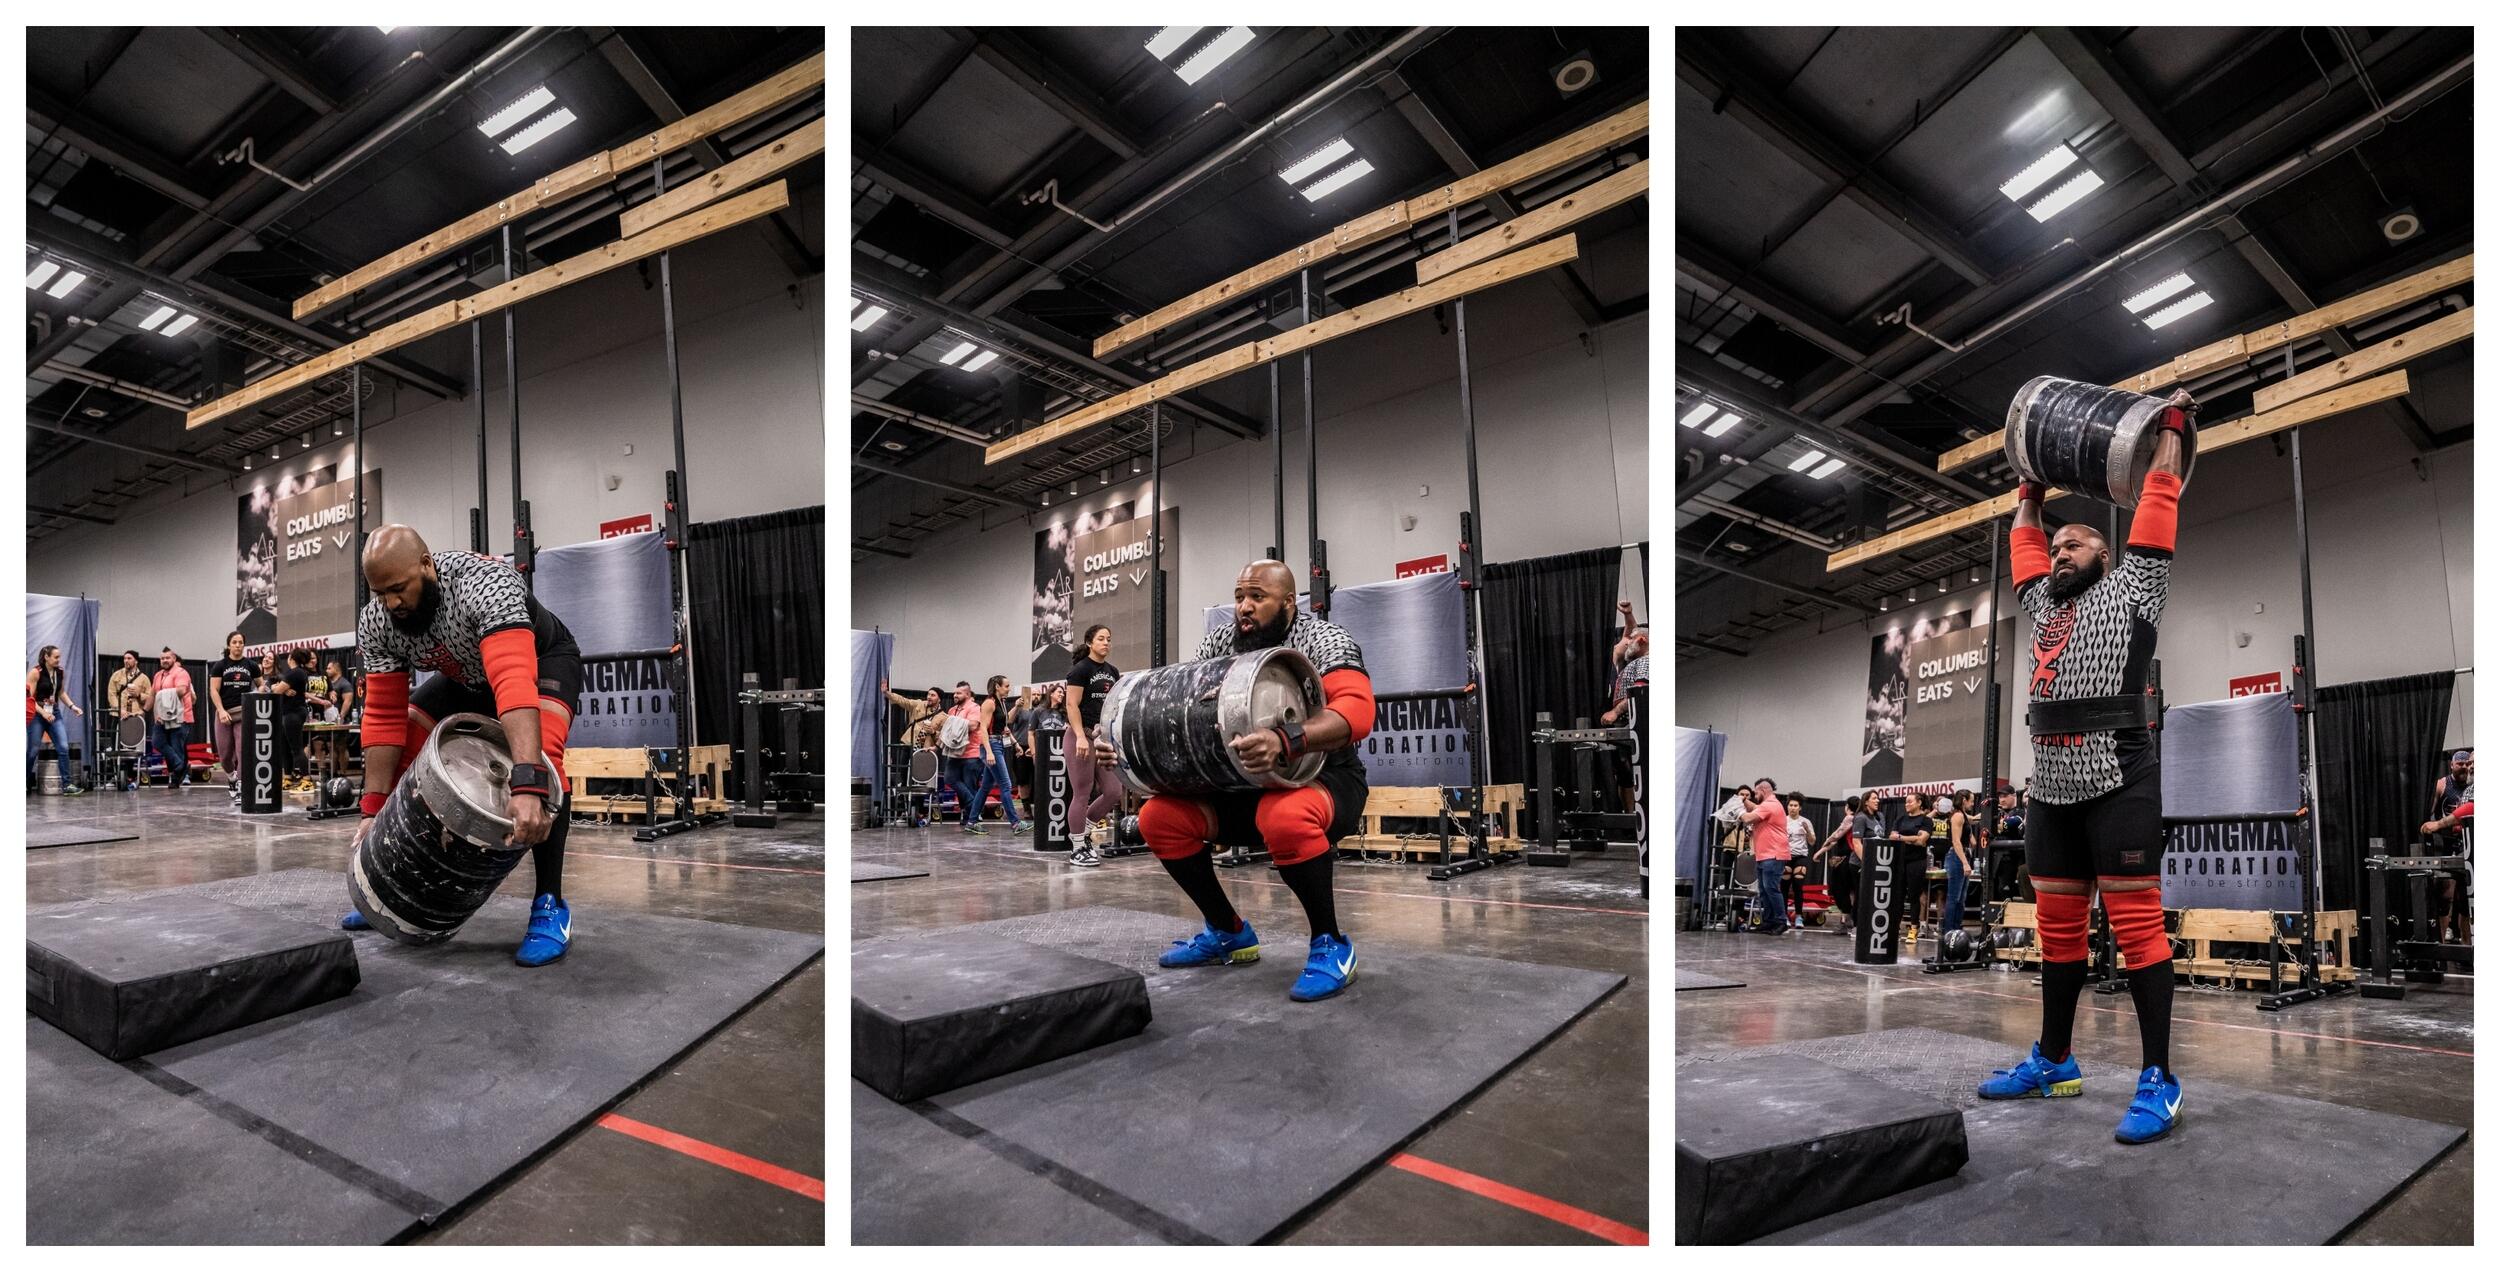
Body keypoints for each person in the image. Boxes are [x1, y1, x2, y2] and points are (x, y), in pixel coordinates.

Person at [1977, 387, 2195, 1145]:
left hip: (2120, 774)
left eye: (2076, 545)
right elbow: (2023, 538)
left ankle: (2160, 1079)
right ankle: (2055, 1060)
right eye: (2058, 545)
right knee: (2057, 929)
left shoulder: (2137, 588)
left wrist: (2172, 427)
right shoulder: (2041, 605)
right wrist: (2030, 484)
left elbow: (2161, 493)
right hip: (2052, 787)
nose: (2061, 552)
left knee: (2137, 925)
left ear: (2106, 552)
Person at [1119, 560, 1378, 1001]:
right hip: (1239, 781)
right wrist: (1126, 750)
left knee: (1285, 814)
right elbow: (1183, 717)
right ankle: (1228, 933)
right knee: (1159, 817)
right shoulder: (1221, 642)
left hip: (1322, 776)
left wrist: (1287, 739)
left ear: (1288, 603)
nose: (1244, 607)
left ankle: (1331, 943)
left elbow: (1357, 711)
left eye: (1258, 598)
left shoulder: (1324, 639)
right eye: (1240, 597)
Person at [340, 525, 585, 967]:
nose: (392, 603)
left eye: (399, 589)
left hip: (542, 662)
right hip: (466, 678)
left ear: (426, 565)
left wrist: (528, 783)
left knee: (542, 764)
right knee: (411, 735)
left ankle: (550, 905)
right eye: (381, 594)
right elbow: (383, 717)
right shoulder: (377, 621)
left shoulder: (484, 583)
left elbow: (512, 682)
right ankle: (391, 892)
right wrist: (372, 809)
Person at [1063, 624, 1123, 866]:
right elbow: (1071, 706)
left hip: (1102, 739)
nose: (1106, 643)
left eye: (1109, 638)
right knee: (1082, 793)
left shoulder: (1113, 671)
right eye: (1101, 638)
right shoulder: (1080, 670)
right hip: (1081, 737)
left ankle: (1084, 832)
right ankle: (1077, 847)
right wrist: (1079, 736)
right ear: (1089, 642)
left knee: (1113, 791)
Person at [2421, 749, 2474, 943]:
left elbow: (2470, 809)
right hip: (2449, 846)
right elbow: (2429, 814)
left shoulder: (2472, 785)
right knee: (2445, 897)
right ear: (2452, 765)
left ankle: (2470, 946)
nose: (2465, 767)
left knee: (2467, 901)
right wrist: (2435, 826)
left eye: (2468, 763)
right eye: (2461, 764)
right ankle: (2441, 945)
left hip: (2470, 844)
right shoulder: (2443, 785)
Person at [26, 645, 87, 795]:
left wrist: (73, 706)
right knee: (33, 751)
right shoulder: (35, 672)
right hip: (37, 714)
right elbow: (29, 699)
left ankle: (67, 786)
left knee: (63, 747)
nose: (59, 660)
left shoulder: (60, 672)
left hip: (54, 712)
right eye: (56, 657)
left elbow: (61, 692)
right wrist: (43, 714)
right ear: (46, 657)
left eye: (59, 657)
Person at [938, 681, 991, 834]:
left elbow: (973, 726)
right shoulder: (952, 709)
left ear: (967, 694)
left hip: (972, 753)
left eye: (959, 693)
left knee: (970, 785)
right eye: (955, 693)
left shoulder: (974, 708)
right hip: (954, 752)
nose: (955, 695)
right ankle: (973, 806)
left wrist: (952, 723)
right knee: (949, 778)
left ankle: (970, 819)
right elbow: (949, 728)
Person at [207, 631, 256, 795]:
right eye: (234, 642)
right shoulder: (220, 665)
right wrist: (220, 711)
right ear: (229, 645)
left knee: (242, 750)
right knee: (225, 755)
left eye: (240, 642)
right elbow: (214, 690)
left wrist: (259, 691)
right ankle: (232, 777)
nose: (237, 645)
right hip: (224, 713)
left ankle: (242, 785)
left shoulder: (251, 665)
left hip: (243, 713)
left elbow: (262, 685)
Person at [1739, 778, 1789, 933]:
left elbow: (1748, 818)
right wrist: (1744, 801)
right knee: (1764, 889)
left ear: (1763, 790)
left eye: (1755, 792)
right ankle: (1769, 921)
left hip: (1772, 854)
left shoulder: (1770, 805)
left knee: (1771, 888)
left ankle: (1781, 921)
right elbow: (1755, 808)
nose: (1754, 794)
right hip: (1764, 855)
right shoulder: (1769, 805)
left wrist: (1737, 809)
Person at [149, 647, 196, 790]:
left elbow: (181, 691)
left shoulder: (182, 673)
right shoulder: (158, 675)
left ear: (174, 659)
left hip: (180, 717)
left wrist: (162, 694)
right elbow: (153, 695)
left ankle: (175, 780)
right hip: (162, 717)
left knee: (177, 747)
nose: (164, 660)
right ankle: (180, 766)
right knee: (157, 741)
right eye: (162, 658)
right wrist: (147, 710)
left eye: (167, 658)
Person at [1890, 792, 1933, 942]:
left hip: (1916, 862)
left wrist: (1902, 838)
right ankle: (1894, 928)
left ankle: (1913, 929)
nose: (1907, 804)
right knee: (1898, 896)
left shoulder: (1926, 820)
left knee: (1914, 896)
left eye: (1909, 801)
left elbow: (1921, 841)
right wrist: (1912, 838)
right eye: (1906, 802)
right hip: (1900, 861)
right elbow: (1891, 837)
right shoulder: (1900, 819)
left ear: (1919, 802)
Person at [1813, 796, 1860, 932]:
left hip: (1846, 859)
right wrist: (1821, 851)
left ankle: (1847, 918)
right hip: (1850, 858)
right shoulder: (1858, 819)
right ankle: (1846, 919)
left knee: (1840, 889)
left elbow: (1836, 835)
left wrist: (1824, 843)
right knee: (1850, 890)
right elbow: (1838, 838)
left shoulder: (1850, 818)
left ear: (1847, 807)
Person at [1937, 791, 1975, 936]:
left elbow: (1975, 819)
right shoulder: (1958, 816)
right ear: (1964, 800)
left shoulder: (1963, 816)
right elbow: (1956, 842)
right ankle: (1949, 932)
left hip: (1962, 856)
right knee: (1954, 897)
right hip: (1956, 857)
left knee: (1961, 898)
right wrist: (1965, 863)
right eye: (1971, 801)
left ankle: (1957, 930)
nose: (1972, 804)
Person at [275, 649, 314, 793]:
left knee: (296, 748)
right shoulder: (296, 673)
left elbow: (276, 691)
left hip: (293, 713)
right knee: (285, 748)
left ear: (291, 658)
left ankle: (306, 780)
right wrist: (282, 689)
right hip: (288, 712)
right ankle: (288, 777)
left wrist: (280, 688)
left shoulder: (295, 673)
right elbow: (279, 688)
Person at [1782, 795, 1815, 927]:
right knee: (1784, 886)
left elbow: (1812, 842)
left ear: (1800, 808)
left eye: (1796, 806)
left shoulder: (1805, 822)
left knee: (1798, 884)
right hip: (1785, 856)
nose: (1793, 808)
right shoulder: (1782, 821)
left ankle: (1799, 917)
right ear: (1787, 806)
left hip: (1800, 856)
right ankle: (1783, 916)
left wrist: (1807, 830)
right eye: (1791, 805)